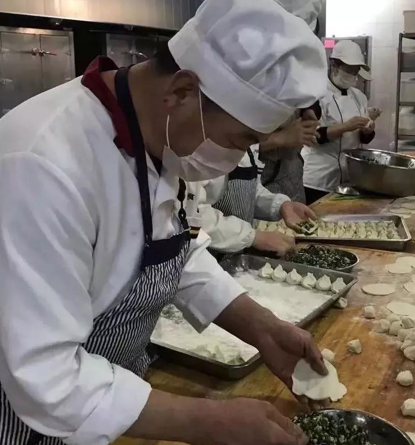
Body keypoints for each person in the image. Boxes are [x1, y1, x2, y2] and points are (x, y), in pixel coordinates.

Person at [0, 1, 330, 444]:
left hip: (115, 406)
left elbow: (173, 248)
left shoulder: (160, 135)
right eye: (240, 141)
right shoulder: (43, 165)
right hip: (29, 424)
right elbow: (45, 377)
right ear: (182, 90)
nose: (235, 159)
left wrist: (263, 328)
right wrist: (210, 421)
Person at [186, 142, 317, 258]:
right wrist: (251, 236)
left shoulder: (251, 145)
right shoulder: (200, 149)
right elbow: (194, 214)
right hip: (205, 252)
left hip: (237, 253)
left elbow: (250, 190)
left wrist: (280, 205)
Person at [302, 39, 378, 204]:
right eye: (349, 70)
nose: (353, 75)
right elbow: (313, 136)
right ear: (334, 66)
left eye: (355, 71)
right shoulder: (317, 94)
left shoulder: (359, 96)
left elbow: (364, 139)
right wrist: (346, 127)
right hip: (318, 179)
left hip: (348, 177)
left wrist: (368, 130)